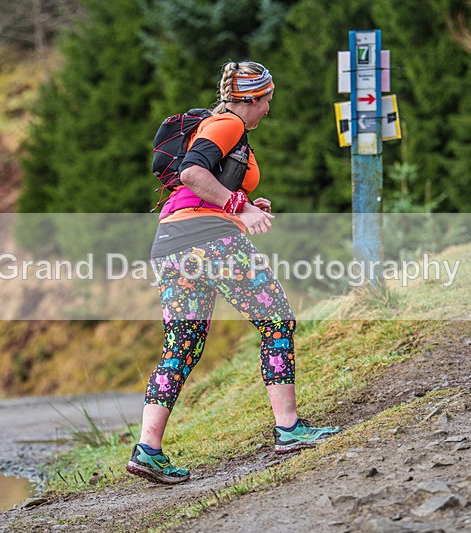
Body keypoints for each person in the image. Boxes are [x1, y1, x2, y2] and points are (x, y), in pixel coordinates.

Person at [126, 61, 340, 485]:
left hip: (172, 245)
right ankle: (289, 429)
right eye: (266, 102)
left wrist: (243, 206)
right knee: (277, 320)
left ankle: (147, 449)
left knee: (181, 345)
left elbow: (194, 193)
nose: (267, 111)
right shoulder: (226, 124)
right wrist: (236, 206)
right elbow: (191, 172)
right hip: (210, 242)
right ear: (250, 99)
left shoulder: (220, 128)